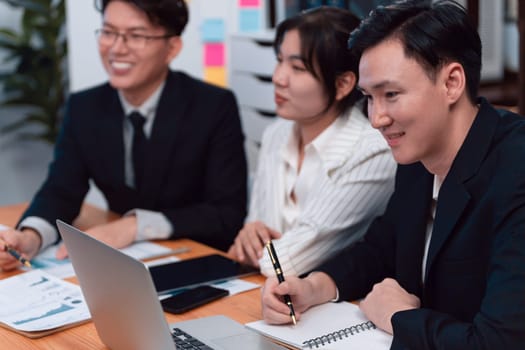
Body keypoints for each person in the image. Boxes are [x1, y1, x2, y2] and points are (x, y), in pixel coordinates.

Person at [261, 1, 525, 349]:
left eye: (391, 95)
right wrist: (315, 286)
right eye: (370, 97)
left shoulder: (515, 170)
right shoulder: (417, 155)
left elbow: (499, 342)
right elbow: (382, 247)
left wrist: (399, 318)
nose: (376, 118)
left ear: (452, 83)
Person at [0, 0, 247, 270]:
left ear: (172, 47)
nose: (117, 48)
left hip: (196, 262)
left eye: (136, 36)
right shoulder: (85, 107)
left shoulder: (213, 106)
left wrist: (135, 226)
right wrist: (30, 237)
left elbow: (227, 214)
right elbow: (61, 190)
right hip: (123, 266)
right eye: (108, 32)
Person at [227, 7, 396, 277]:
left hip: (335, 305)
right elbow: (248, 240)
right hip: (267, 294)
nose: (278, 78)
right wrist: (251, 239)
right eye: (279, 60)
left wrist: (254, 246)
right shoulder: (277, 134)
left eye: (297, 68)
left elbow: (283, 263)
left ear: (343, 84)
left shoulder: (371, 153)